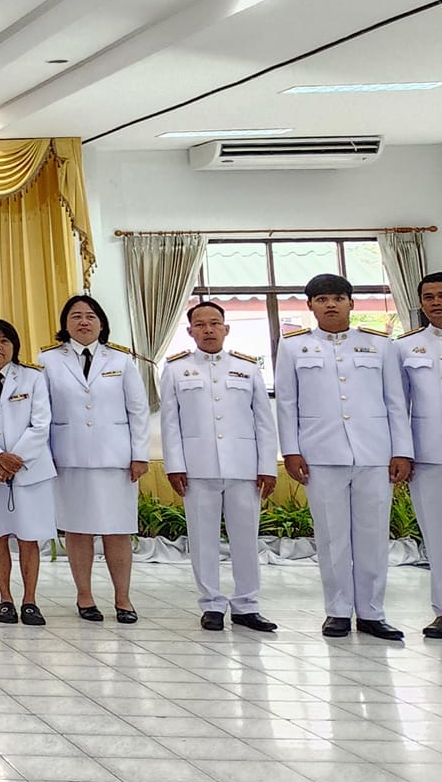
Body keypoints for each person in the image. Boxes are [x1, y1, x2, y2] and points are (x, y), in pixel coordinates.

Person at [278, 272, 413, 640]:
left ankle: (372, 613)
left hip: (374, 452)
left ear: (351, 303)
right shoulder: (293, 346)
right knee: (331, 537)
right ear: (310, 306)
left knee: (373, 535)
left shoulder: (379, 344)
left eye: (338, 298)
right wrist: (291, 450)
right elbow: (287, 403)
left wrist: (402, 450)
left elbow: (395, 401)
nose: (331, 305)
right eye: (322, 300)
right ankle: (337, 611)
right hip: (320, 454)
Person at [160, 301, 279, 634]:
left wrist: (267, 466)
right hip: (197, 469)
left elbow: (264, 422)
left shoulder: (247, 368)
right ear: (190, 331)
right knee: (203, 539)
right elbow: (170, 423)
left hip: (244, 467)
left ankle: (247, 604)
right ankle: (211, 603)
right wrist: (174, 465)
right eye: (200, 325)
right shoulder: (176, 369)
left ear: (226, 329)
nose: (208, 330)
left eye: (214, 323)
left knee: (246, 539)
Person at [38, 295, 149, 623]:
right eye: (75, 316)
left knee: (118, 530)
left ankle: (123, 599)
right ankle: (84, 596)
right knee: (77, 530)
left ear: (101, 323)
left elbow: (138, 410)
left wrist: (140, 454)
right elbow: (41, 412)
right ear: (65, 324)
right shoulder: (48, 360)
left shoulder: (121, 360)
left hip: (116, 459)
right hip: (68, 457)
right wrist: (43, 456)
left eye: (90, 316)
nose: (83, 322)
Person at [0, 319, 54, 626]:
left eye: (4, 341)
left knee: (29, 537)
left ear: (14, 346)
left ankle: (30, 601)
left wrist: (14, 460)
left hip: (30, 469)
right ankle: (5, 599)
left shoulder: (33, 377)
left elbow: (41, 423)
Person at [395, 271, 442, 639]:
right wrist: (402, 452)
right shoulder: (406, 347)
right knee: (437, 537)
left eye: (441, 295)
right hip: (428, 456)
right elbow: (397, 406)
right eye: (429, 297)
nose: (436, 302)